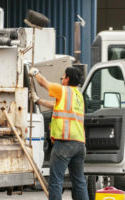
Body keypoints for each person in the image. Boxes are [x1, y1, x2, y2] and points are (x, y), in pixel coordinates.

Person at [28, 67, 89, 200]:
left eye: (63, 77)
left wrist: (35, 72)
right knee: (79, 181)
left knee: (56, 180)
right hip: (79, 144)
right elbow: (57, 105)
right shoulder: (78, 95)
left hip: (64, 143)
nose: (62, 79)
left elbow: (44, 83)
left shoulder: (63, 90)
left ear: (67, 79)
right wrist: (39, 101)